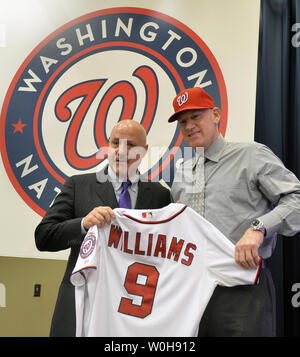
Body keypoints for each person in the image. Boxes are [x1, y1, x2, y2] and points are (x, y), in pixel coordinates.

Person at [169, 87, 300, 337]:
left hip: (242, 289)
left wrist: (258, 228)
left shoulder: (252, 155)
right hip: (192, 291)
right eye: (182, 121)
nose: (188, 126)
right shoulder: (183, 171)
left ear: (215, 114)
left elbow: (296, 199)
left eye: (196, 116)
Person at [35, 120, 172, 337]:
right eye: (116, 143)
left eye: (131, 145)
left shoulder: (160, 195)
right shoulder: (78, 185)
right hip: (83, 301)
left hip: (134, 310)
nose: (122, 151)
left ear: (144, 151)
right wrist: (83, 224)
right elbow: (43, 237)